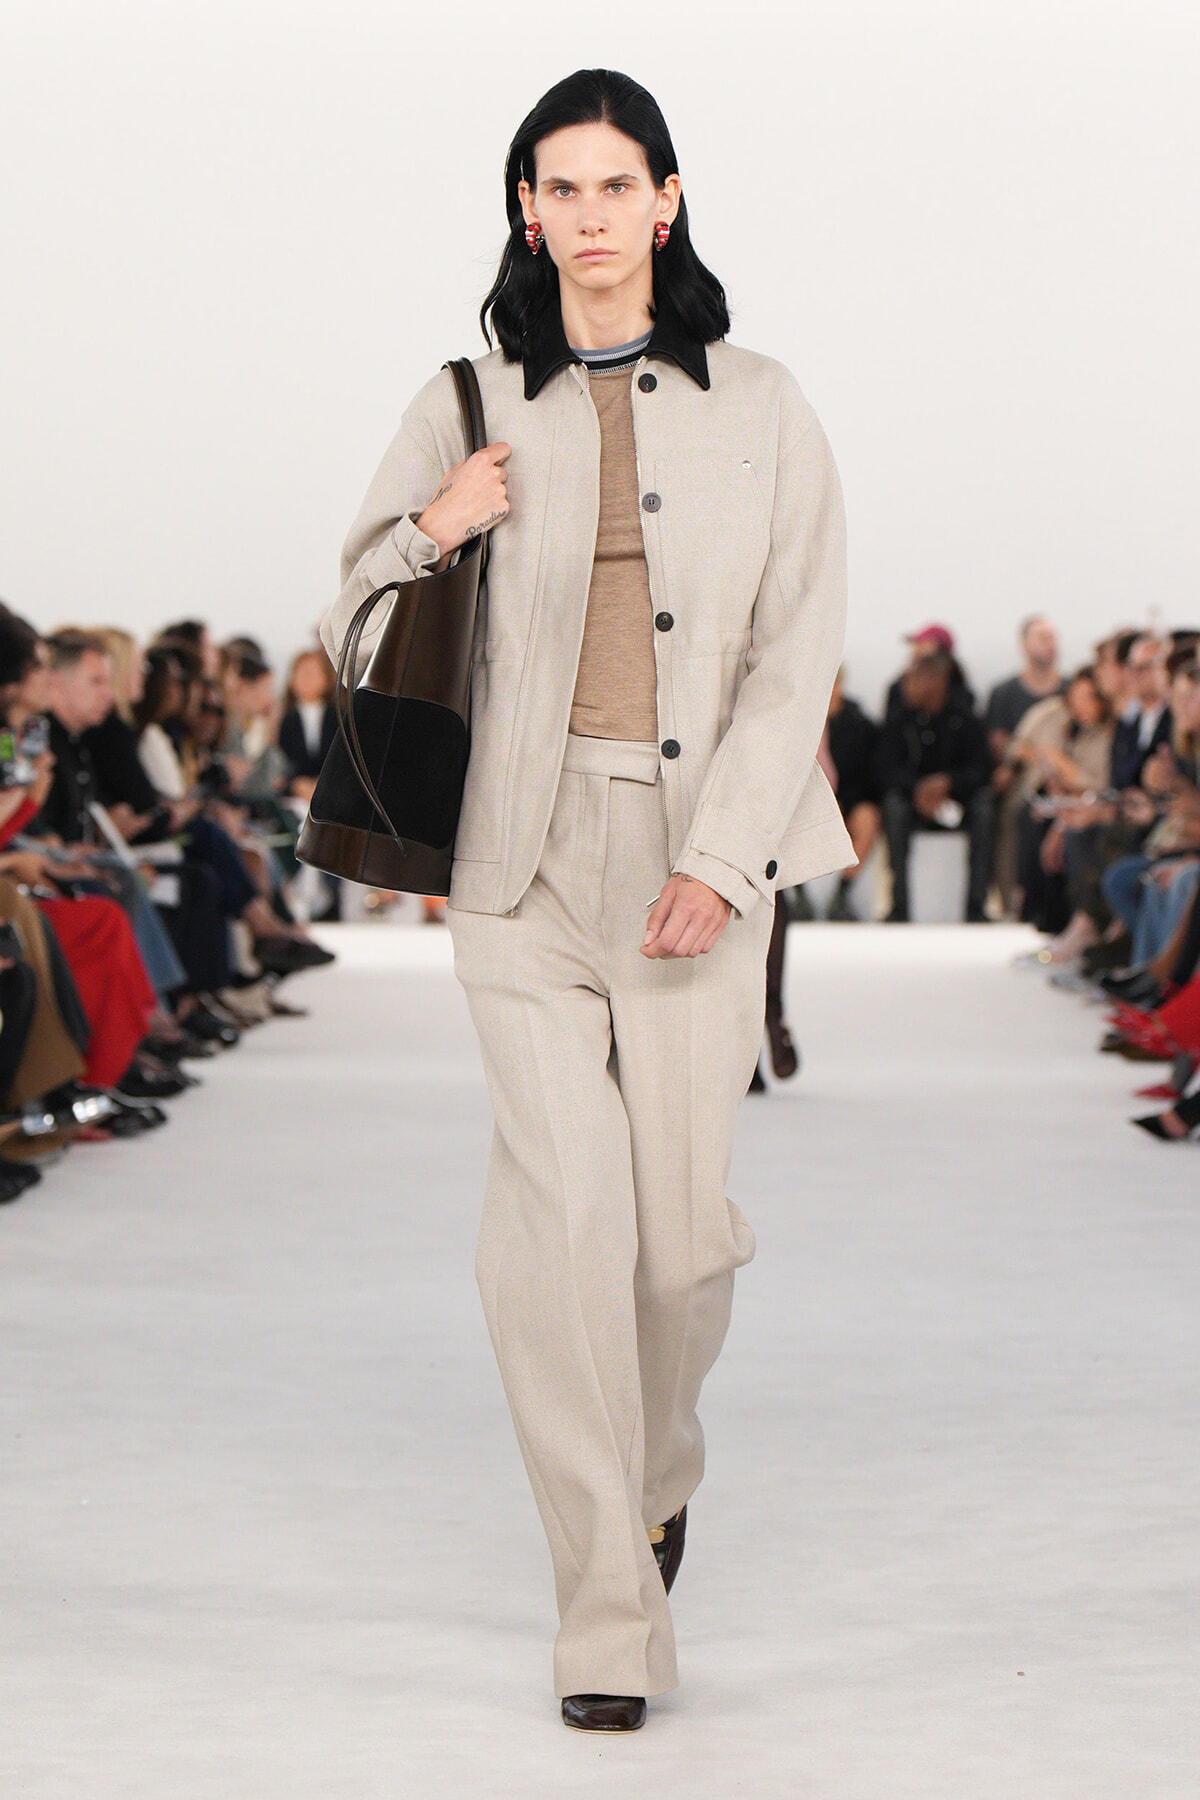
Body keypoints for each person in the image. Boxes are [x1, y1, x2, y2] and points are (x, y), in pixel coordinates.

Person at [319, 67, 852, 1734]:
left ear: (667, 201)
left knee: (677, 1248)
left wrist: (724, 858)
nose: (592, 213)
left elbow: (798, 653)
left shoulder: (763, 404)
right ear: (528, 211)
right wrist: (433, 526)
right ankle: (608, 1612)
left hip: (696, 855)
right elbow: (349, 615)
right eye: (562, 187)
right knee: (561, 1236)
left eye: (619, 184)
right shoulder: (466, 399)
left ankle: (659, 1464)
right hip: (518, 861)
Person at [876, 646, 993, 921]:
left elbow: (981, 769)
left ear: (938, 682)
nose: (907, 686)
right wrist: (918, 789)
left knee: (985, 810)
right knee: (893, 808)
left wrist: (948, 783)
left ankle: (976, 906)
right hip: (912, 802)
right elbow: (884, 768)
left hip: (957, 800)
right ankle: (899, 905)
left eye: (916, 679)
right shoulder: (899, 720)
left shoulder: (966, 719)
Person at [986, 616, 1064, 909]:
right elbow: (998, 743)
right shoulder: (1004, 693)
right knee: (1011, 817)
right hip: (1021, 780)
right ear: (1024, 645)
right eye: (1041, 638)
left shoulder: (1069, 690)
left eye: (1052, 637)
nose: (1049, 645)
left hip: (1060, 777)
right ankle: (1012, 899)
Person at [824, 666, 880, 919]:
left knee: (868, 818)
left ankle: (842, 893)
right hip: (806, 803)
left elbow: (869, 777)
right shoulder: (797, 723)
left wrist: (842, 801)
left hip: (848, 801)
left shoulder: (860, 726)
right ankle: (798, 896)